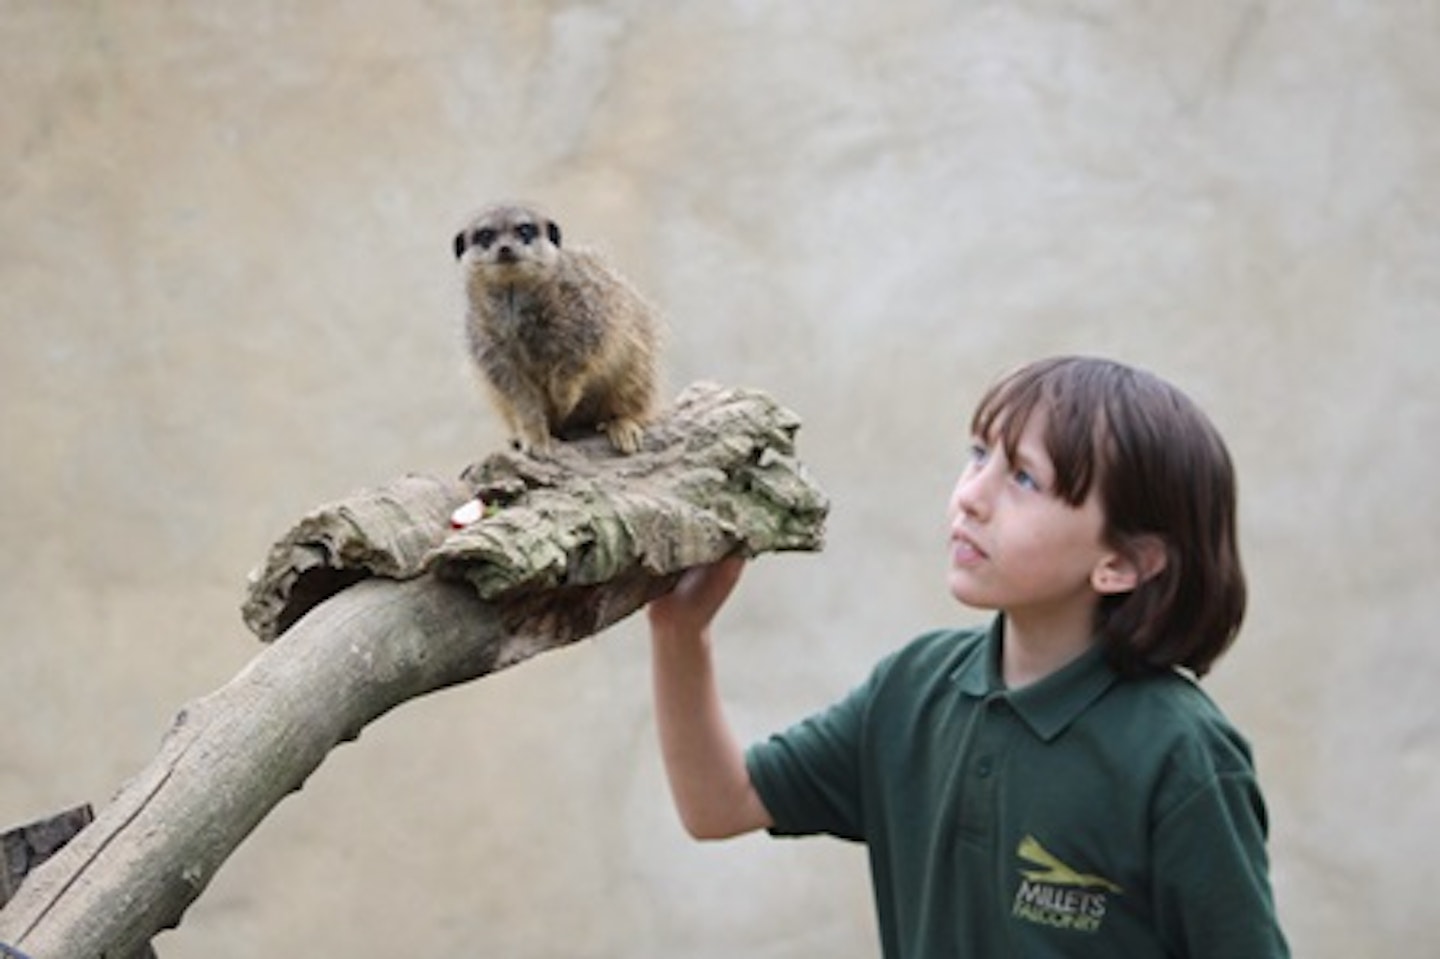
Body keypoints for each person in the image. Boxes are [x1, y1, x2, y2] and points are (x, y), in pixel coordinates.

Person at [647, 355, 1289, 957]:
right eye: (978, 454)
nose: (970, 496)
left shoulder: (1181, 755)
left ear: (1122, 563)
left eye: (1024, 478)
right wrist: (680, 631)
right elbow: (720, 804)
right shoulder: (913, 689)